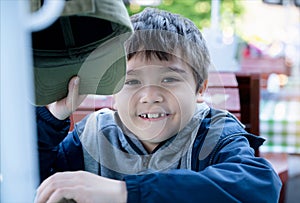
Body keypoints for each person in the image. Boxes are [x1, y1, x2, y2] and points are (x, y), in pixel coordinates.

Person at [34, 8, 281, 203]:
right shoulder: (92, 136)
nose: (150, 95)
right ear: (112, 93)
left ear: (200, 89)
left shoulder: (214, 134)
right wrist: (51, 119)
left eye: (169, 79)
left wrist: (125, 193)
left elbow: (260, 185)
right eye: (131, 81)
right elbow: (36, 184)